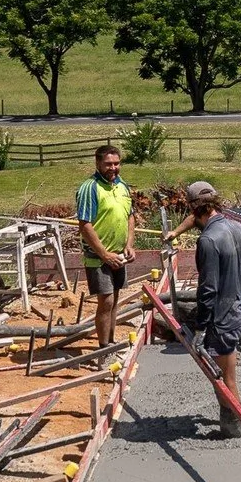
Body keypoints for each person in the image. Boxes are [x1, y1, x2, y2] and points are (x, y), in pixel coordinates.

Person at [187, 182, 241, 439]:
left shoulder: (208, 240)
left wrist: (200, 327)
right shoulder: (240, 230)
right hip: (238, 311)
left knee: (225, 379)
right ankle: (229, 424)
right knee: (224, 373)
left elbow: (208, 289)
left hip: (221, 319)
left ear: (194, 209)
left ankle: (236, 427)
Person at [171, 185, 241, 316]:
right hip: (234, 223)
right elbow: (194, 218)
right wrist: (175, 232)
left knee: (240, 270)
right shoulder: (211, 214)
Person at [75, 142, 135, 349]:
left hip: (119, 254)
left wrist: (129, 244)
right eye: (108, 164)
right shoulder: (89, 188)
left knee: (115, 298)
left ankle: (111, 340)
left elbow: (130, 216)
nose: (113, 168)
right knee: (106, 301)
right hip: (98, 256)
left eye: (117, 163)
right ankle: (103, 348)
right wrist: (104, 254)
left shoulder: (122, 185)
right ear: (98, 163)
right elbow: (85, 224)